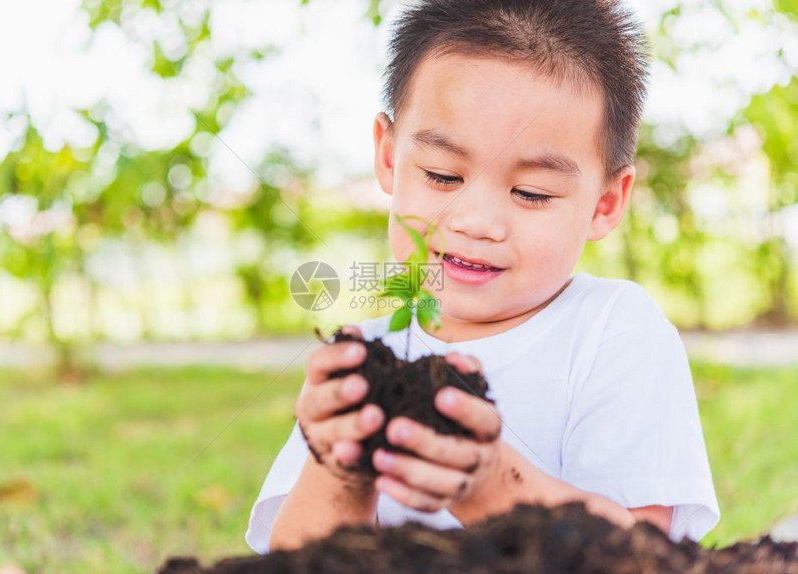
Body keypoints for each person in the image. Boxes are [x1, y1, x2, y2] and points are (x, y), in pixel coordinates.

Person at [246, 0, 720, 554]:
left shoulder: (613, 333)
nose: (476, 222)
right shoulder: (364, 357)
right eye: (444, 176)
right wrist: (339, 467)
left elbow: (643, 554)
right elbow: (296, 561)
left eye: (531, 193)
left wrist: (489, 482)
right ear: (388, 156)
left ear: (606, 202)